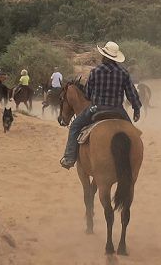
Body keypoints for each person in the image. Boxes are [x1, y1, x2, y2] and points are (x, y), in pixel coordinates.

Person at [60, 41, 141, 169]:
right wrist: (137, 109)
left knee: (75, 126)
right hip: (118, 110)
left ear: (104, 56)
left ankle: (69, 158)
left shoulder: (95, 72)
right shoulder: (123, 73)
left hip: (97, 109)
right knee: (134, 134)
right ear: (115, 58)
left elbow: (87, 94)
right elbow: (132, 93)